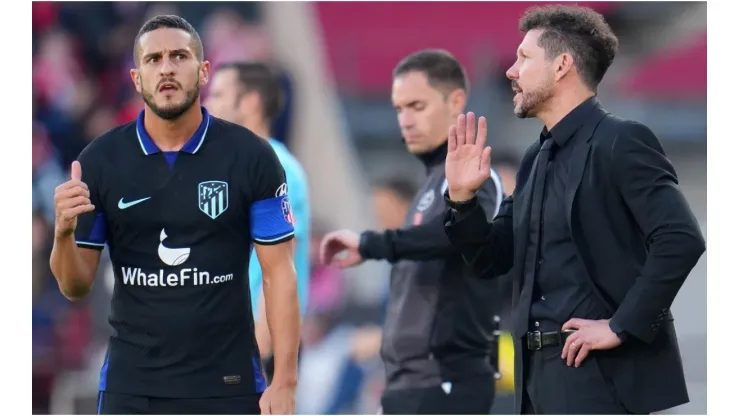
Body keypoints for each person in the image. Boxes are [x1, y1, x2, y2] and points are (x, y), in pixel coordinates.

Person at [442, 5, 706, 415]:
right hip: (536, 382)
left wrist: (621, 326)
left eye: (524, 58)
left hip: (600, 377)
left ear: (562, 64)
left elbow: (681, 239)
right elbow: (492, 258)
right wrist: (462, 200)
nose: (511, 71)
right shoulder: (534, 158)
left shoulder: (622, 141)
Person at [50, 15, 300, 415]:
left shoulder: (251, 157)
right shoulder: (100, 161)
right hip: (132, 387)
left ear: (203, 72)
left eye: (179, 56)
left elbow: (280, 274)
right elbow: (75, 286)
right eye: (153, 59)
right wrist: (63, 232)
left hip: (228, 384)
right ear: (136, 78)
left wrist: (285, 380)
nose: (166, 68)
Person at [320, 49, 505, 414]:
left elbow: (451, 236)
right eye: (399, 108)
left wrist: (372, 244)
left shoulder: (477, 181)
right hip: (408, 382)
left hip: (447, 381)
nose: (404, 120)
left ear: (455, 102)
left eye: (416, 106)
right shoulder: (429, 186)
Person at [206, 61, 312, 380]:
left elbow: (282, 265)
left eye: (219, 93)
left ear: (250, 102)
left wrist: (259, 354)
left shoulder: (279, 169)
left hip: (251, 351)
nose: (208, 104)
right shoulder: (232, 168)